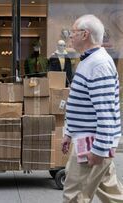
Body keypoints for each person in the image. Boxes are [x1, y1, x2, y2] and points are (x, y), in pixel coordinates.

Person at [62, 14, 123, 202]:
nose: (69, 36)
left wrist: (98, 150)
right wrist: (69, 132)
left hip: (91, 144)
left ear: (85, 34)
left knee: (74, 196)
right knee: (112, 194)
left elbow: (106, 112)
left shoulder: (98, 64)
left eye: (73, 32)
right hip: (91, 142)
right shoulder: (90, 61)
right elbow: (81, 104)